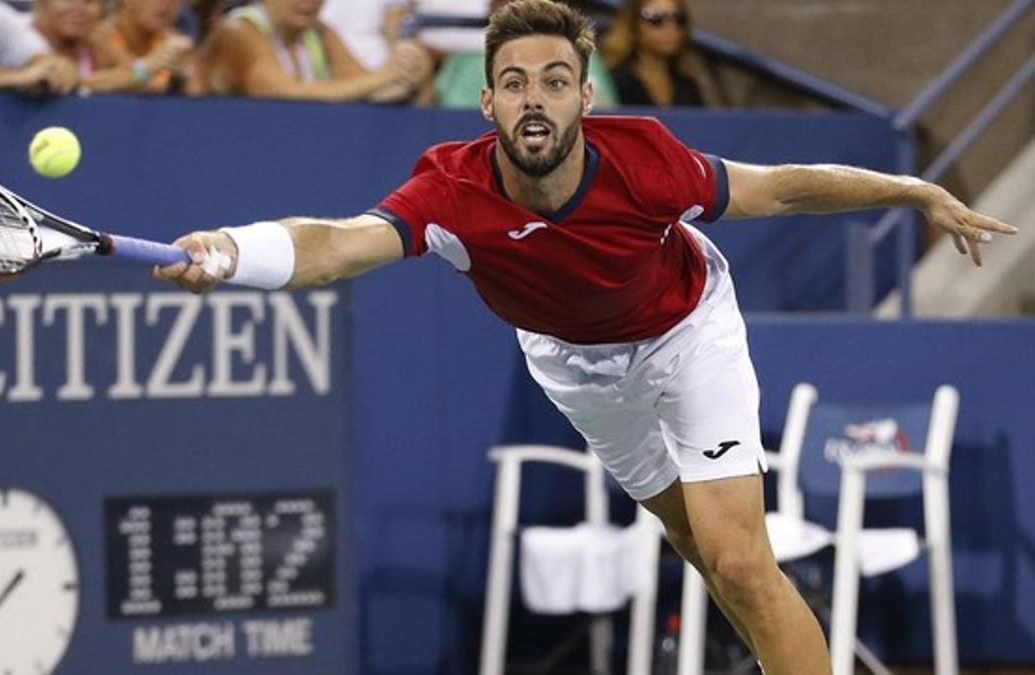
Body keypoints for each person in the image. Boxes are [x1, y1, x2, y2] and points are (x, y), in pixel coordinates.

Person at [154, 0, 1015, 670]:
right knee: (700, 554)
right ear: (487, 99)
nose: (537, 97)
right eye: (518, 81)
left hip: (688, 333)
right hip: (575, 368)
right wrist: (235, 252)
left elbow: (782, 188)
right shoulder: (450, 190)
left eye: (556, 79)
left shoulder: (643, 158)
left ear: (584, 95)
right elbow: (338, 243)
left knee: (741, 559)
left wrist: (911, 189)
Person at [197, 0, 431, 102]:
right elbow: (284, 94)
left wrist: (409, 70)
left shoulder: (318, 31)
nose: (310, 1)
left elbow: (365, 88)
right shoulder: (238, 30)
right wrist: (387, 75)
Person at [432, 0, 619, 109]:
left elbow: (605, 112)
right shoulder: (465, 62)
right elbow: (458, 124)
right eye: (513, 85)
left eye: (556, 83)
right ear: (492, 8)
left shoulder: (580, 52)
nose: (520, 8)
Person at [601, 0, 706, 107]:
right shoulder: (613, 82)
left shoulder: (686, 85)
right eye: (656, 18)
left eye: (678, 19)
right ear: (632, 23)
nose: (671, 28)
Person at [96, 0, 201, 94]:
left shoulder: (176, 44)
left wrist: (186, 77)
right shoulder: (96, 39)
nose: (168, 3)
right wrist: (147, 67)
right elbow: (86, 84)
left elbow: (200, 108)